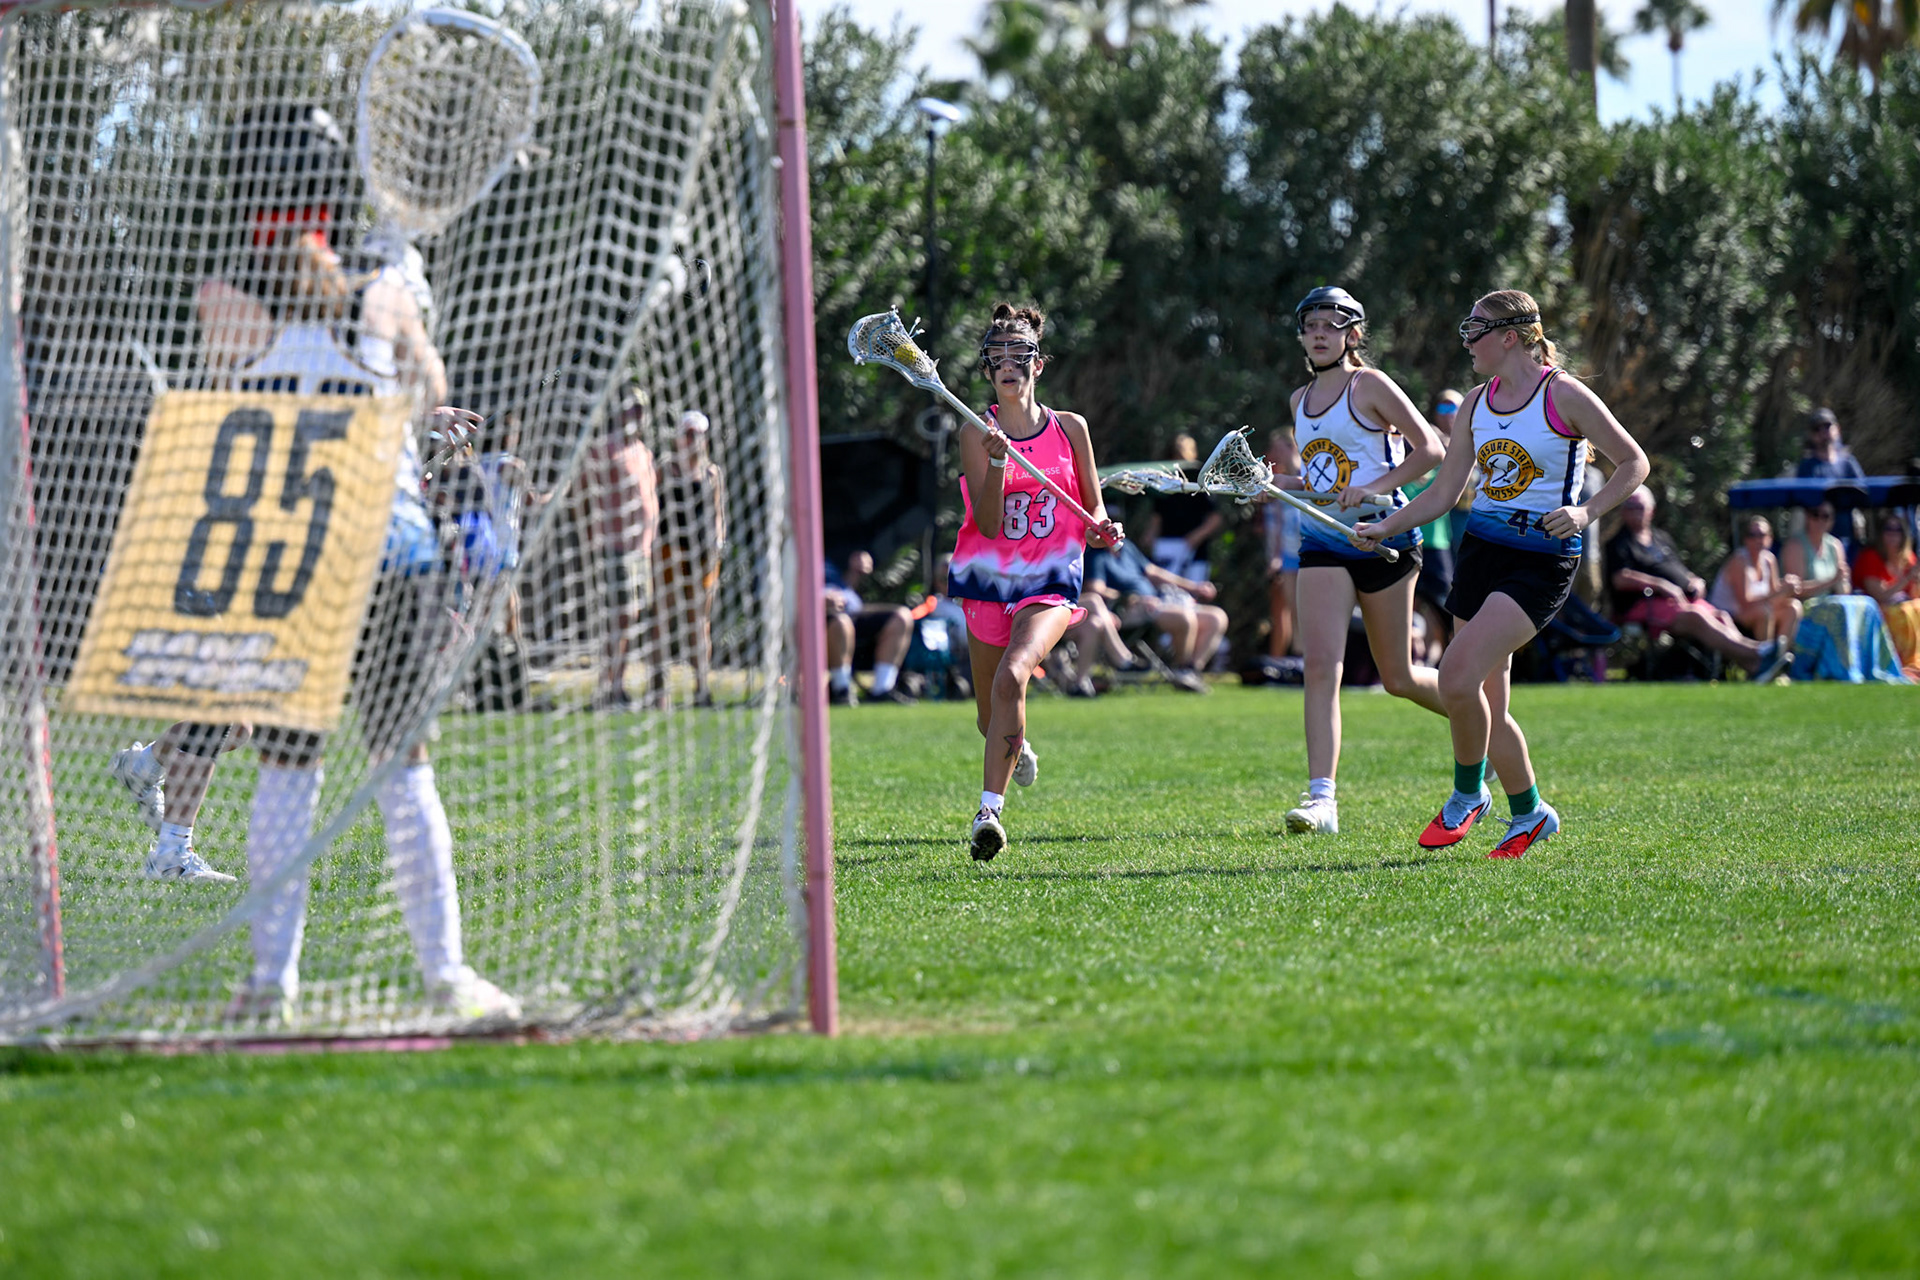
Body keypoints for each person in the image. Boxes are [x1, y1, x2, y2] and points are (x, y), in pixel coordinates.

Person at [108, 103, 516, 1021]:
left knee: (289, 768)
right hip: (383, 550)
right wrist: (400, 299)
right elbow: (429, 390)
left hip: (286, 558)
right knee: (403, 766)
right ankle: (445, 974)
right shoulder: (380, 292)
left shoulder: (224, 298)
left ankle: (270, 983)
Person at [1355, 288, 1654, 858]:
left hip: (1541, 560)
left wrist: (1586, 513)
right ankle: (1531, 813)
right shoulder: (1475, 403)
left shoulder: (1563, 394)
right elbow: (1445, 492)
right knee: (1489, 703)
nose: (1467, 342)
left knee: (1455, 676)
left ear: (1510, 337)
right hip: (1481, 554)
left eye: (1477, 330)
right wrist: (1385, 526)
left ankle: (1467, 794)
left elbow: (1634, 462)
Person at [947, 302, 1122, 861]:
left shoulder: (1070, 428)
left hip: (1049, 579)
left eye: (1018, 354)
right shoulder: (975, 432)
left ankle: (988, 814)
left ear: (1037, 364)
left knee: (1014, 674)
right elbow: (989, 524)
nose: (1008, 364)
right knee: (989, 715)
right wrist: (999, 463)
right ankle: (1015, 746)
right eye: (997, 356)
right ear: (987, 369)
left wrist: (1102, 528)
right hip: (988, 580)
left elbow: (1093, 509)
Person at [1271, 286, 1446, 836]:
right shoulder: (1299, 400)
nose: (1320, 334)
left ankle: (1479, 724)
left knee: (1398, 677)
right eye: (1311, 325)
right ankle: (1322, 800)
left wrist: (1375, 487)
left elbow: (1431, 450)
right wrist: (1281, 483)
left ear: (1353, 334)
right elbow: (1324, 477)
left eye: (1332, 324)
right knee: (1321, 667)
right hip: (1323, 541)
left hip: (1383, 536)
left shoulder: (1369, 385)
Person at [1605, 487, 1794, 680]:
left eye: (1640, 507)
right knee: (1696, 616)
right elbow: (1620, 579)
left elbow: (1677, 568)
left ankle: (1756, 667)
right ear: (1623, 511)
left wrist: (1693, 580)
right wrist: (1660, 584)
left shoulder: (1661, 538)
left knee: (1720, 616)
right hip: (1647, 604)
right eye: (1630, 507)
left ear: (1651, 511)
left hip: (1681, 600)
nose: (1635, 512)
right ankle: (1759, 652)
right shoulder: (1619, 543)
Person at [578, 382, 659, 708]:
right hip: (616, 548)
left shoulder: (644, 451)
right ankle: (610, 686)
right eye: (630, 408)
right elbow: (583, 491)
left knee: (633, 618)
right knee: (620, 619)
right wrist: (590, 534)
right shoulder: (604, 448)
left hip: (643, 550)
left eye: (640, 409)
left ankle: (618, 684)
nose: (635, 415)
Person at [1082, 539, 1226, 691]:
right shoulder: (1096, 556)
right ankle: (1181, 670)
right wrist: (1130, 597)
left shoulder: (1126, 547)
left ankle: (1192, 669)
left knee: (1216, 618)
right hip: (1129, 610)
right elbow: (1095, 589)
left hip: (1158, 601)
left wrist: (1194, 587)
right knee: (1184, 618)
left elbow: (1153, 572)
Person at [653, 409, 727, 708]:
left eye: (697, 435)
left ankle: (702, 688)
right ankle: (659, 690)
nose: (692, 440)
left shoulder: (712, 473)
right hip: (669, 550)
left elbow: (718, 515)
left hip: (702, 554)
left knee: (699, 622)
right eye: (687, 434)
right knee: (663, 618)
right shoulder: (666, 468)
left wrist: (718, 542)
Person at [1405, 390, 1464, 666]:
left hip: (1440, 544)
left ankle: (1451, 660)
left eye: (1454, 407)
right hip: (1409, 541)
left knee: (1445, 607)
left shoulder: (1459, 453)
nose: (1448, 414)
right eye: (1443, 407)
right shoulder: (1409, 459)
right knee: (1407, 607)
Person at [823, 550, 916, 705]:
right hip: (818, 619)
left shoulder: (834, 558)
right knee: (841, 621)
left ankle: (881, 690)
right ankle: (842, 690)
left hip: (853, 612)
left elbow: (847, 589)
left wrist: (856, 572)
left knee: (901, 616)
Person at [1709, 515, 1802, 643]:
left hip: (1754, 614)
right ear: (1745, 540)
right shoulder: (1739, 561)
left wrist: (1788, 587)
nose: (1757, 539)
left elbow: (1773, 595)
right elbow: (1745, 603)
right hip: (1729, 616)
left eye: (1762, 535)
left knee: (1793, 607)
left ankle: (1780, 652)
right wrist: (1781, 591)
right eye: (1752, 535)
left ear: (1770, 538)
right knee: (1763, 612)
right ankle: (1764, 653)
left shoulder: (1769, 560)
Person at [1145, 432, 1223, 582]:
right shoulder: (1165, 479)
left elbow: (1215, 518)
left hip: (1195, 554)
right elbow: (1157, 515)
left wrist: (1194, 538)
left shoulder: (1200, 479)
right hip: (1166, 548)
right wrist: (1150, 535)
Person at [1854, 511, 1920, 678]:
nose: (1893, 534)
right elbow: (1880, 596)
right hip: (1875, 613)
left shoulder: (1908, 558)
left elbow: (1915, 596)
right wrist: (1906, 579)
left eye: (1898, 530)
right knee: (1903, 613)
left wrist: (1916, 581)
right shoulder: (1870, 557)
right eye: (1888, 529)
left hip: (1902, 609)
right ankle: (1901, 665)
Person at [1794, 407, 1868, 546]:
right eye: (1817, 429)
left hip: (1848, 537)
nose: (1823, 432)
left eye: (1827, 426)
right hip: (1817, 540)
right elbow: (1803, 500)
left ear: (1837, 429)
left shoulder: (1848, 462)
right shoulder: (1806, 466)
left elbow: (1864, 492)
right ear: (1811, 435)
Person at [1262, 429, 1303, 659]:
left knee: (1307, 608)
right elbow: (1278, 524)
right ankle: (1298, 656)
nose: (1275, 454)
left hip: (1309, 549)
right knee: (1293, 609)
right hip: (1288, 555)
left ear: (1292, 446)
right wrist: (1275, 557)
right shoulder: (1280, 480)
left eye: (1279, 448)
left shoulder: (1306, 476)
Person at [1780, 502, 1850, 600]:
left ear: (1832, 521)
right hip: (1804, 605)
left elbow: (1844, 584)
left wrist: (1842, 584)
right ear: (1807, 517)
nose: (1820, 520)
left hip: (1830, 603)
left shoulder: (1835, 545)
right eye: (1815, 515)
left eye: (1825, 516)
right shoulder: (1795, 546)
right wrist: (1831, 581)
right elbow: (1795, 590)